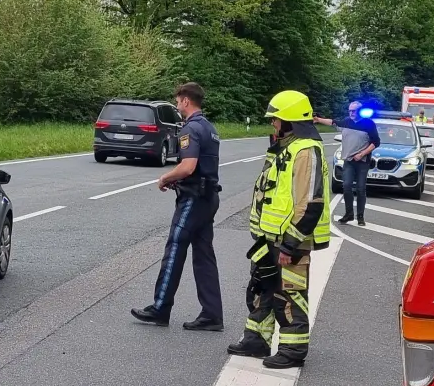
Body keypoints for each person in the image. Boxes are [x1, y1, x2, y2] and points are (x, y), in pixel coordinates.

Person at [230, 90, 332, 369]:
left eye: (276, 119)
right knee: (262, 288)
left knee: (290, 294)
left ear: (289, 121)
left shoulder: (306, 150)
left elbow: (310, 203)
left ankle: (292, 350)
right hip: (270, 237)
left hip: (290, 241)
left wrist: (290, 245)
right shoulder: (285, 147)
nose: (273, 123)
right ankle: (256, 339)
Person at [132, 82, 224, 330]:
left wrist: (165, 178)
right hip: (208, 198)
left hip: (193, 198)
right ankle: (212, 315)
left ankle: (160, 308)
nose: (176, 104)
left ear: (185, 101)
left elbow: (188, 166)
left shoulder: (190, 129)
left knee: (174, 248)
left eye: (178, 100)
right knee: (204, 255)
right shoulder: (210, 128)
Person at [314, 101, 380, 225]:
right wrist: (318, 119)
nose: (351, 113)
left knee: (360, 189)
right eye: (349, 111)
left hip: (362, 161)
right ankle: (349, 214)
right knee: (347, 186)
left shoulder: (368, 124)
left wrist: (362, 154)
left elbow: (376, 142)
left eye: (353, 111)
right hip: (348, 161)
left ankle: (360, 216)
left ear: (359, 111)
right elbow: (333, 122)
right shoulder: (347, 122)